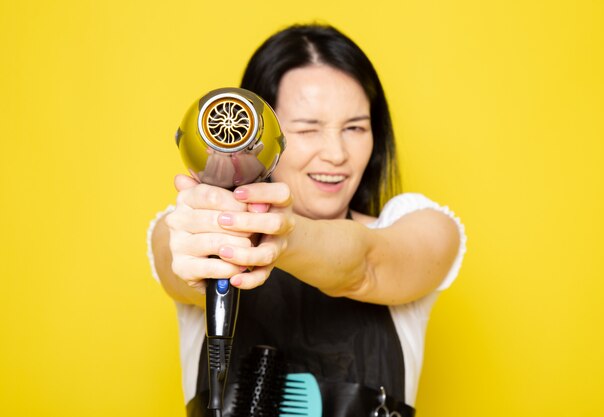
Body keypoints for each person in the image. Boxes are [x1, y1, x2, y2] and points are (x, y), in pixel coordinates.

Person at [148, 24, 466, 417]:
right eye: (306, 128)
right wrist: (205, 246)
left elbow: (363, 264)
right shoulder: (196, 229)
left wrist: (280, 238)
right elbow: (174, 262)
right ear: (262, 137)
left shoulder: (417, 228)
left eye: (355, 128)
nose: (336, 153)